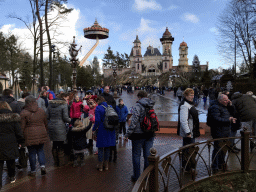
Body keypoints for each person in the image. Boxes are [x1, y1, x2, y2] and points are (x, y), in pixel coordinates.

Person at [124, 91, 155, 182]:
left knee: (136, 155)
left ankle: (137, 177)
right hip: (150, 133)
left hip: (138, 134)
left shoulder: (138, 105)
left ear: (139, 97)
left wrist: (127, 134)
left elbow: (134, 122)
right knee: (147, 156)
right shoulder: (151, 105)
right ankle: (145, 176)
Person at [20, 96, 48, 176]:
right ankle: (42, 166)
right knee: (40, 151)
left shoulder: (23, 113)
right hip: (41, 132)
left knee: (32, 153)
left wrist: (21, 137)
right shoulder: (41, 111)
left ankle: (33, 171)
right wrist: (46, 131)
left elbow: (22, 127)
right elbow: (46, 123)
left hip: (29, 134)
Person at [208, 94, 235, 174]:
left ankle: (221, 164)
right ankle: (215, 166)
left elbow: (233, 113)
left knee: (223, 149)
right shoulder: (215, 107)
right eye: (225, 100)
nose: (227, 101)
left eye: (228, 100)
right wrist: (228, 120)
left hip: (225, 131)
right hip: (218, 131)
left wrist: (231, 106)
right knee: (217, 149)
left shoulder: (225, 106)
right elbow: (216, 119)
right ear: (220, 100)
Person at [0, 101, 24, 189]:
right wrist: (21, 141)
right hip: (11, 142)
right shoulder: (13, 118)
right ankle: (12, 176)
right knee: (11, 160)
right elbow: (18, 132)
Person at [177, 88, 200, 172]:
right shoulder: (184, 105)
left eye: (193, 95)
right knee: (188, 150)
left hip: (192, 131)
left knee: (189, 149)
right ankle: (187, 167)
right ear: (186, 96)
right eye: (190, 95)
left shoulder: (189, 104)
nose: (192, 97)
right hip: (189, 133)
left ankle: (187, 165)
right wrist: (188, 132)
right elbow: (183, 120)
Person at [47, 93, 71, 167]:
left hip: (51, 126)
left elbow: (47, 116)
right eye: (67, 98)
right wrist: (72, 120)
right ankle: (61, 162)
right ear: (63, 98)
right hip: (60, 126)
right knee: (60, 145)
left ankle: (55, 161)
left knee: (54, 144)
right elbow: (65, 118)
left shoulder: (50, 104)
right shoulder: (64, 105)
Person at [92, 96, 116, 172]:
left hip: (102, 129)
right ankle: (106, 165)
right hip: (110, 129)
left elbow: (97, 120)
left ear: (98, 101)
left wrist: (93, 129)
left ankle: (100, 166)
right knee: (107, 148)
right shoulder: (110, 106)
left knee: (100, 148)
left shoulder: (98, 108)